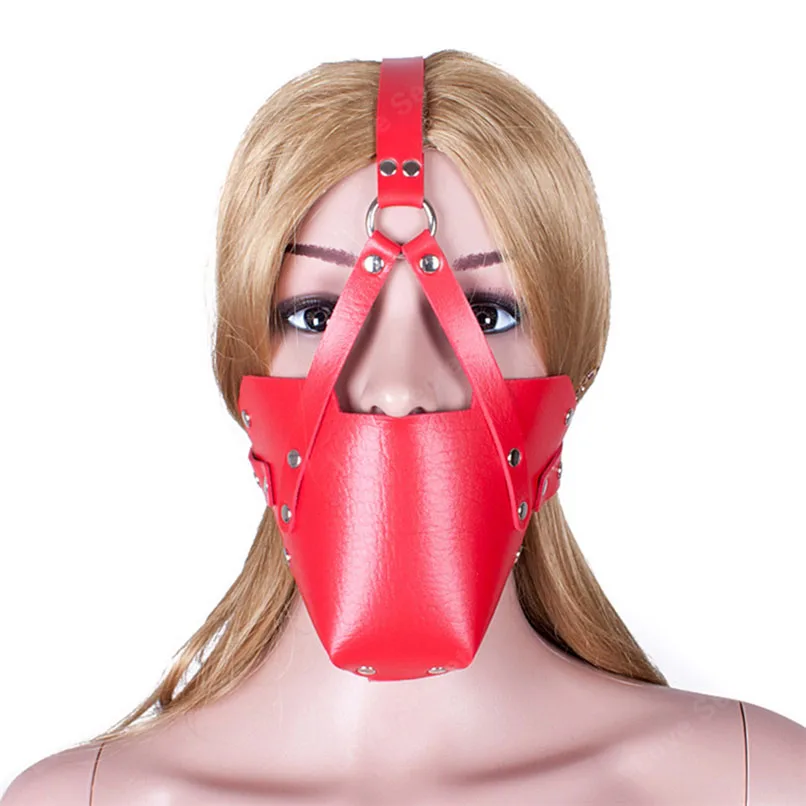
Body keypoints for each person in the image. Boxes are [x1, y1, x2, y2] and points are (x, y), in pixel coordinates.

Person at [3, 50, 805, 805]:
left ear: (572, 365)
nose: (396, 386)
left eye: (485, 314)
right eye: (317, 315)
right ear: (243, 366)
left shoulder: (751, 782)